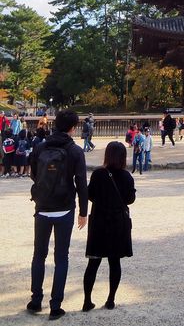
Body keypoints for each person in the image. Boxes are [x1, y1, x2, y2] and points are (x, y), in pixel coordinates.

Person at [28, 109, 88, 320]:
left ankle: (36, 300)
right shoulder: (75, 151)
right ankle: (56, 305)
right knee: (61, 257)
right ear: (73, 127)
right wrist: (83, 212)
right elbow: (81, 183)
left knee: (39, 255)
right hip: (64, 208)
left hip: (43, 206)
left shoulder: (40, 146)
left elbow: (34, 173)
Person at [82, 141, 136, 311]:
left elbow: (89, 194)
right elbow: (129, 200)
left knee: (93, 263)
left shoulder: (98, 174)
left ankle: (87, 301)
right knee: (115, 263)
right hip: (117, 222)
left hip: (99, 220)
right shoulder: (127, 176)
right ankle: (111, 299)